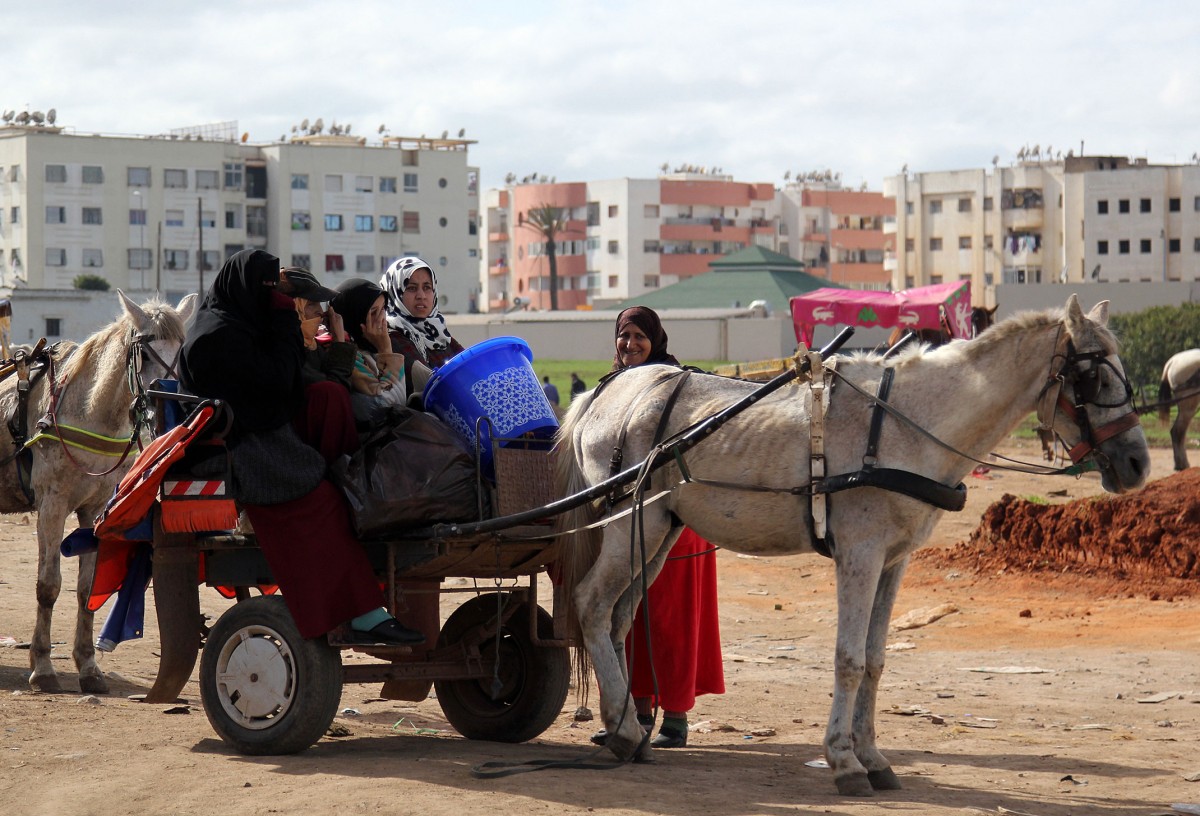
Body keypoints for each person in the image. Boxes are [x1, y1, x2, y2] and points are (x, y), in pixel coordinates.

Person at [179, 249, 423, 646]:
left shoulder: (247, 326)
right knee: (319, 498)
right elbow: (275, 389)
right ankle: (356, 614)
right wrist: (284, 321)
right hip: (238, 447)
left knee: (328, 432)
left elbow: (288, 388)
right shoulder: (215, 337)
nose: (273, 297)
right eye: (265, 288)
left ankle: (366, 609)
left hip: (265, 430)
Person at [592, 305, 724, 749]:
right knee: (630, 616)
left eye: (639, 337)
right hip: (627, 521)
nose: (630, 345)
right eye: (623, 336)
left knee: (672, 619)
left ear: (657, 340)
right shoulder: (611, 386)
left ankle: (676, 720)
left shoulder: (673, 384)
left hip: (677, 520)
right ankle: (638, 712)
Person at [329, 278, 406, 427]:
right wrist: (385, 350)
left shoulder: (370, 347)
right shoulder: (350, 355)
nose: (381, 319)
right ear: (354, 315)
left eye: (383, 309)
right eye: (372, 312)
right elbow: (391, 404)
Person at [380, 256, 465, 370]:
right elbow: (427, 380)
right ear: (394, 293)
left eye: (427, 287)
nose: (421, 296)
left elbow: (470, 365)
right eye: (411, 288)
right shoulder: (392, 337)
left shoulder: (438, 332)